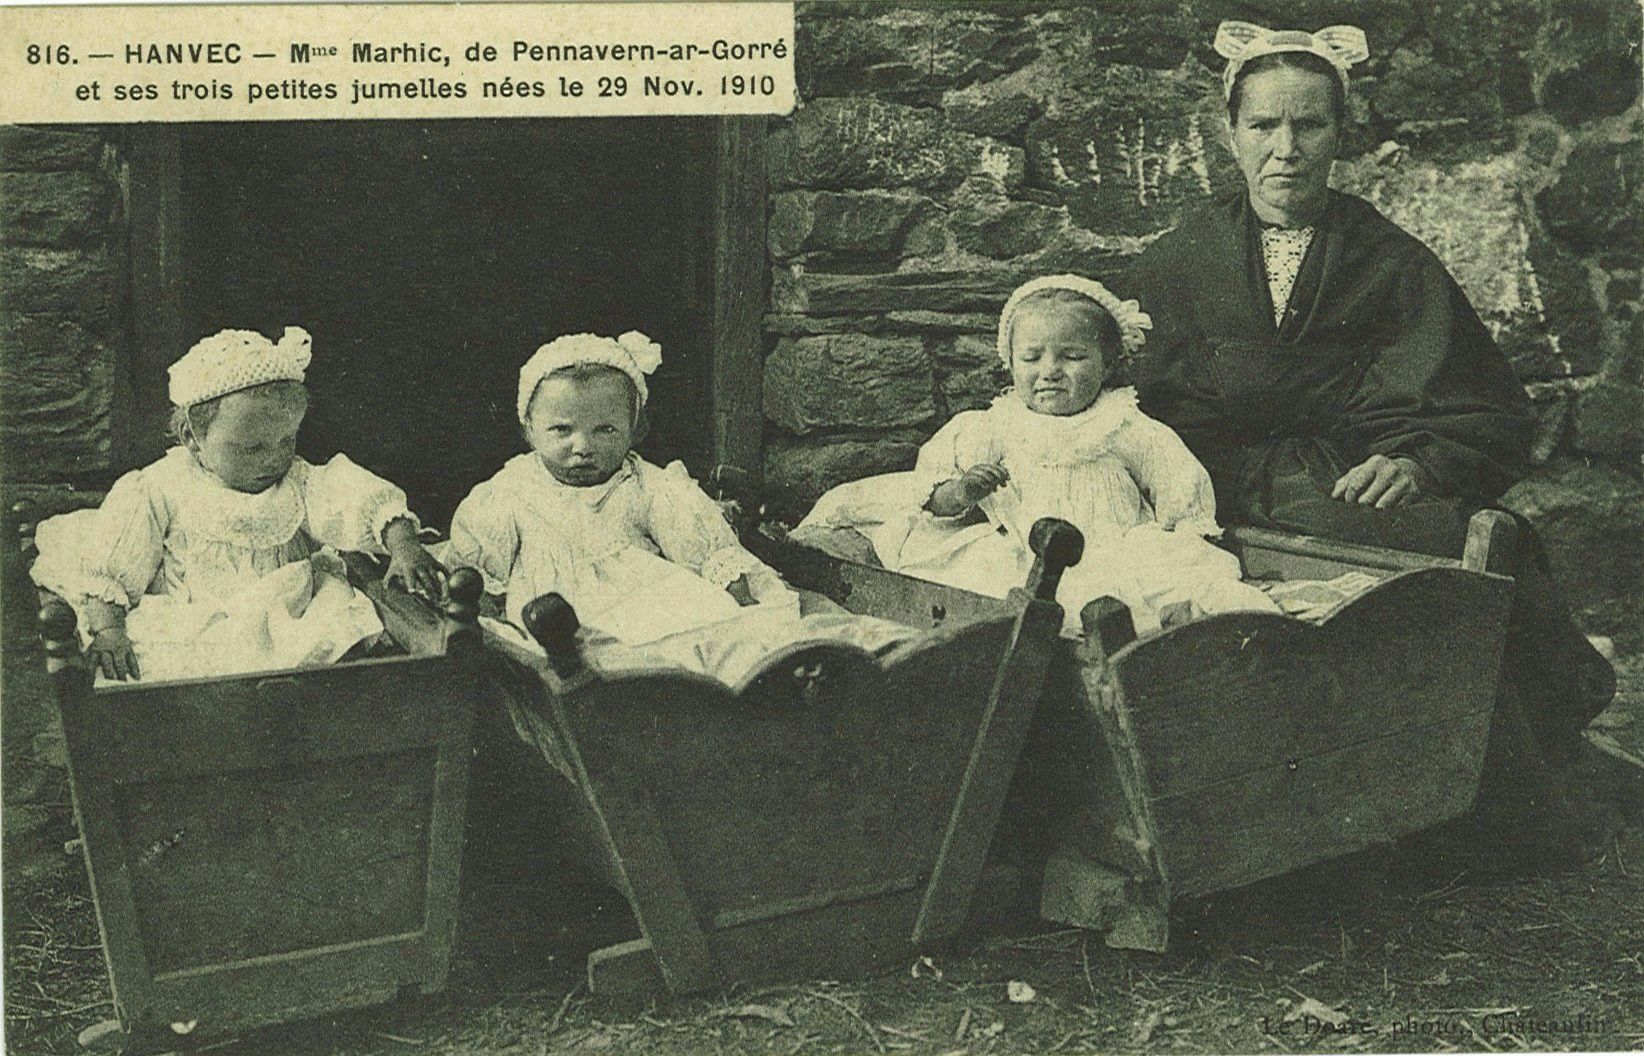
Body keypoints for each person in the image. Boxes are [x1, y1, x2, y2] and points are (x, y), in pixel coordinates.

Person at [1123, 22, 1618, 836]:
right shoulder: (1178, 258)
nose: (1286, 149)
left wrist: (1418, 463)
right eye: (1264, 126)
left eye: (1310, 125)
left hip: (1340, 473)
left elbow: (1479, 399)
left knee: (1471, 537)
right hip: (1215, 479)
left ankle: (1515, 772)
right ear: (1229, 134)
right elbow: (1130, 397)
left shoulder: (1390, 258)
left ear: (1341, 135)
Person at [794, 275, 1278, 634]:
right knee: (991, 596)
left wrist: (1187, 537)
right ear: (1010, 361)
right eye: (1032, 358)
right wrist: (965, 490)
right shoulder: (993, 427)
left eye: (1072, 356)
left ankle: (1180, 623)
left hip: (1117, 547)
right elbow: (932, 498)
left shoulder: (1125, 426)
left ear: (1109, 364)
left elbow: (1180, 485)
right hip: (1022, 553)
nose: (1050, 371)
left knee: (1175, 578)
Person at [444, 330, 912, 684]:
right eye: (561, 431)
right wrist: (492, 619)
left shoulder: (647, 484)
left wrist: (737, 590)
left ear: (634, 428)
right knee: (596, 656)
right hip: (559, 610)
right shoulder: (509, 492)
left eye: (605, 430)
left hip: (649, 593)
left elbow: (702, 543)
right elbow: (480, 569)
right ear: (529, 429)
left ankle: (747, 674)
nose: (582, 447)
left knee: (713, 637)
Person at [30, 326, 445, 683]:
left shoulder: (296, 480)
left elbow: (352, 495)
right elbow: (117, 556)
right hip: (198, 618)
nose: (273, 458)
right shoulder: (161, 486)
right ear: (194, 438)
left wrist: (403, 543)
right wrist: (108, 628)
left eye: (287, 440)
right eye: (252, 448)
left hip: (289, 613)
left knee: (337, 628)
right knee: (163, 661)